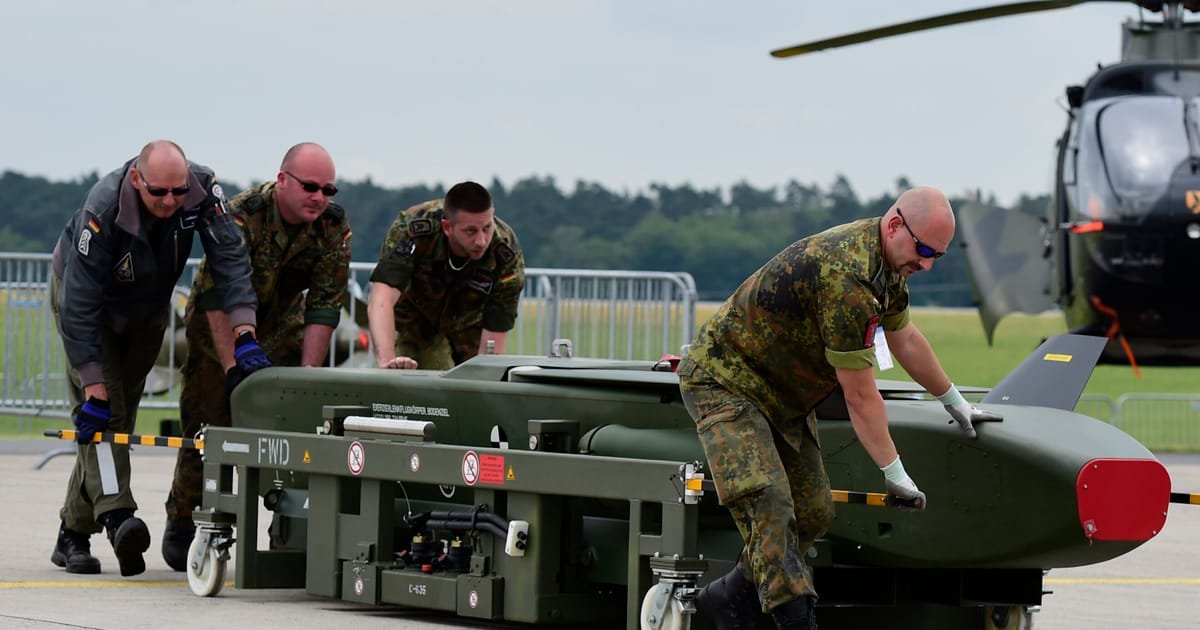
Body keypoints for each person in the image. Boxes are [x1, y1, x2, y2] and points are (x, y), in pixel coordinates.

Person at [677, 187, 1002, 629]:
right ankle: (795, 619)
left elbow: (904, 336)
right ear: (894, 225)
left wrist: (954, 401)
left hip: (782, 396)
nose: (926, 264)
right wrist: (895, 473)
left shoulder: (886, 266)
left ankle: (731, 597)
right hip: (727, 382)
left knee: (812, 511)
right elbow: (860, 396)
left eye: (937, 257)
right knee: (770, 505)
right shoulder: (846, 277)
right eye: (924, 250)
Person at [49, 140, 267, 577]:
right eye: (159, 193)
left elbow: (229, 258)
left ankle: (72, 533)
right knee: (103, 412)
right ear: (136, 180)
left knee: (120, 417)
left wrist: (245, 331)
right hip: (87, 309)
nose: (170, 201)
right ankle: (118, 517)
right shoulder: (104, 207)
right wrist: (91, 381)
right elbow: (79, 302)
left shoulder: (203, 190)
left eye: (178, 192)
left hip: (147, 311)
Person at [160, 142, 351, 571]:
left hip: (282, 324)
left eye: (328, 189)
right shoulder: (243, 213)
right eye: (310, 186)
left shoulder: (333, 227)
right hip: (220, 324)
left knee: (295, 428)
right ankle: (185, 517)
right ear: (282, 180)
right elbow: (214, 293)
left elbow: (324, 305)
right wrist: (232, 371)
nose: (320, 197)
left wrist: (308, 375)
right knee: (208, 420)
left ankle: (288, 524)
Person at [367, 181, 524, 370]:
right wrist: (387, 362)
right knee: (411, 383)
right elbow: (381, 299)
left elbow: (496, 329)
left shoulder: (505, 253)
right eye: (471, 231)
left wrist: (484, 378)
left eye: (487, 228)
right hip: (414, 321)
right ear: (447, 227)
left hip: (469, 326)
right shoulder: (414, 228)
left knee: (474, 385)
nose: (481, 241)